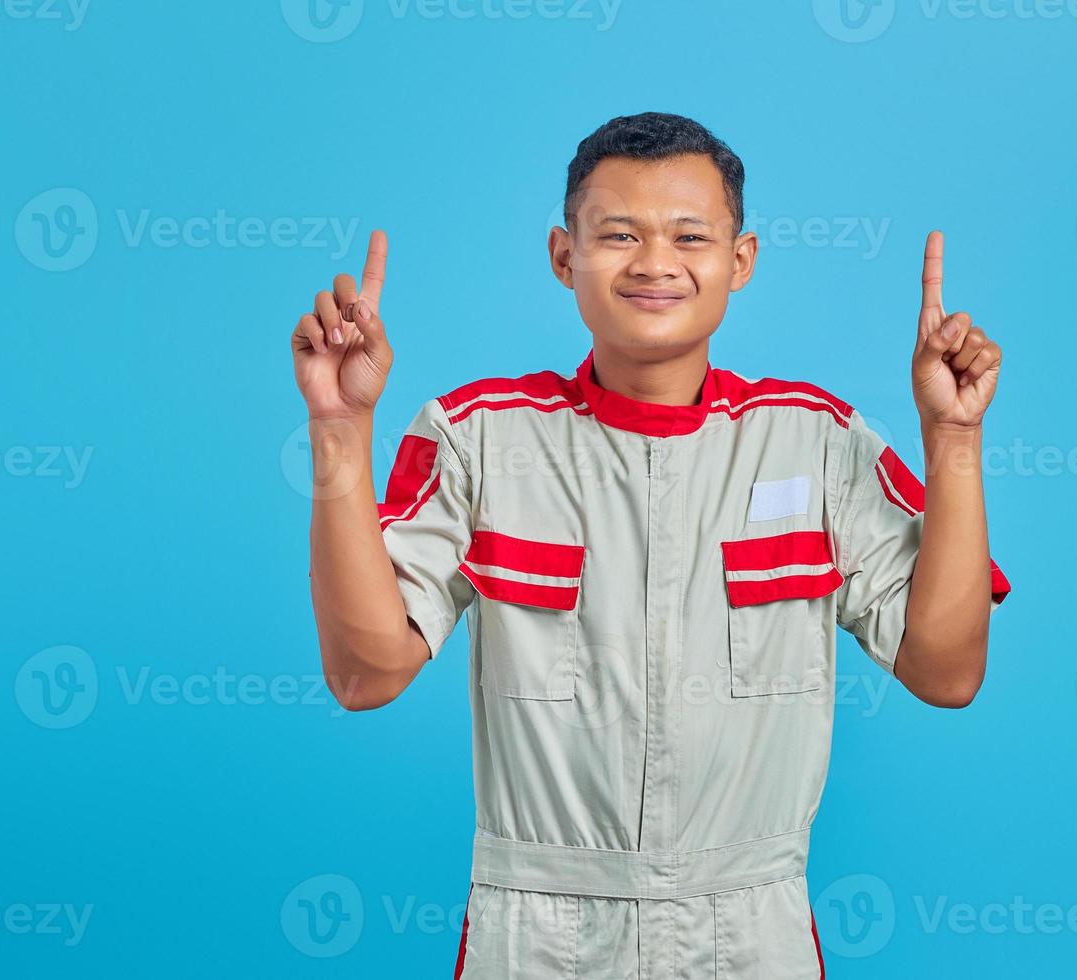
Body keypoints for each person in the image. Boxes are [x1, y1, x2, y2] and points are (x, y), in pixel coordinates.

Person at [289, 111, 1011, 979]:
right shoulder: (479, 436)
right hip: (538, 933)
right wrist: (338, 428)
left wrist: (955, 441)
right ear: (564, 255)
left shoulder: (815, 441)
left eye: (690, 235)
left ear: (739, 261)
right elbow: (366, 674)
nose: (655, 262)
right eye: (619, 234)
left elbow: (947, 672)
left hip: (751, 931)